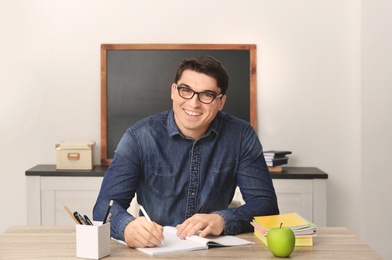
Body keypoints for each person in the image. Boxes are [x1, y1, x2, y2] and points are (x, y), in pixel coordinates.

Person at [93, 55, 279, 248]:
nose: (193, 103)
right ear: (173, 91)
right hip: (156, 249)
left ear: (221, 101)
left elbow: (266, 206)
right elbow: (103, 207)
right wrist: (126, 228)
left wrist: (222, 220)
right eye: (186, 91)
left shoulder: (241, 135)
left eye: (206, 95)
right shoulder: (138, 137)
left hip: (215, 251)